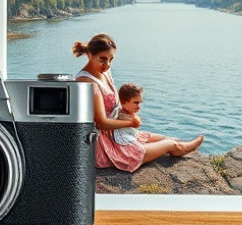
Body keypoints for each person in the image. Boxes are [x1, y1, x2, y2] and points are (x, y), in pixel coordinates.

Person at [72, 33, 204, 173]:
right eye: (102, 59)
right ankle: (179, 149)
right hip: (104, 144)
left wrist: (126, 112)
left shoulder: (104, 71)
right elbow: (101, 123)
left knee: (165, 138)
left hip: (116, 134)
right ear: (89, 55)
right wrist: (130, 123)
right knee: (170, 144)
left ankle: (179, 146)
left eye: (111, 59)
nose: (107, 64)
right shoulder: (87, 82)